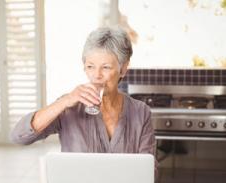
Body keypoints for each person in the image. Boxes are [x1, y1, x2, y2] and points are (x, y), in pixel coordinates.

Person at [10, 26, 157, 174]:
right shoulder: (69, 107)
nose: (96, 75)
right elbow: (19, 137)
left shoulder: (140, 112)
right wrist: (65, 101)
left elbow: (150, 172)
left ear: (123, 69)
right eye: (90, 67)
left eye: (105, 67)